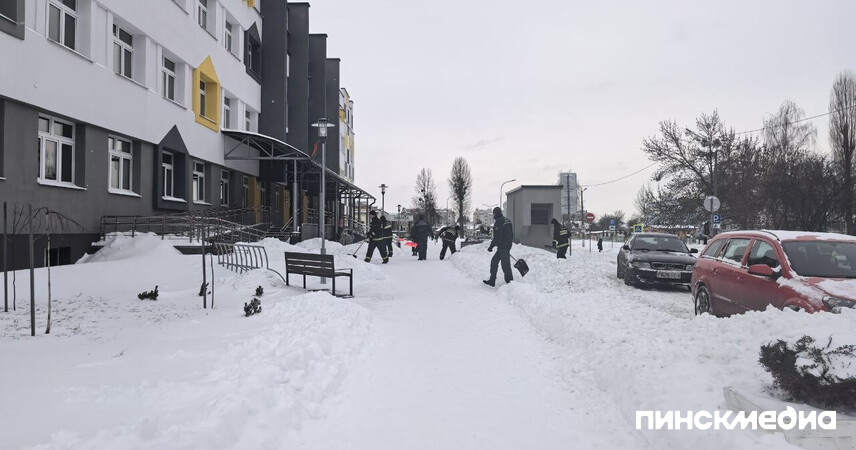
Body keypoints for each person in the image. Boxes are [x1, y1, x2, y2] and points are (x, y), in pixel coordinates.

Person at [483, 207, 513, 287]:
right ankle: (492, 281)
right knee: (494, 262)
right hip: (506, 245)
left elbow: (498, 237)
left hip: (504, 246)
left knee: (505, 265)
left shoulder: (499, 221)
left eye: (493, 213)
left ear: (495, 213)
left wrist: (491, 246)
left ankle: (510, 284)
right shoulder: (507, 220)